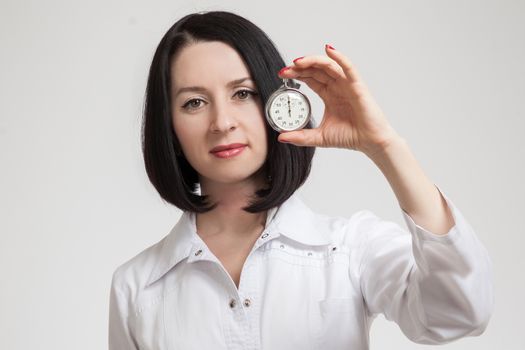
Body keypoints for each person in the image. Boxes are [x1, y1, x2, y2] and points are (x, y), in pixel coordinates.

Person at [108, 10, 494, 350]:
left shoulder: (349, 249)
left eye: (243, 93)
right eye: (194, 102)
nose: (222, 122)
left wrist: (385, 146)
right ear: (169, 128)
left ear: (278, 103)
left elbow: (459, 313)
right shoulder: (136, 287)